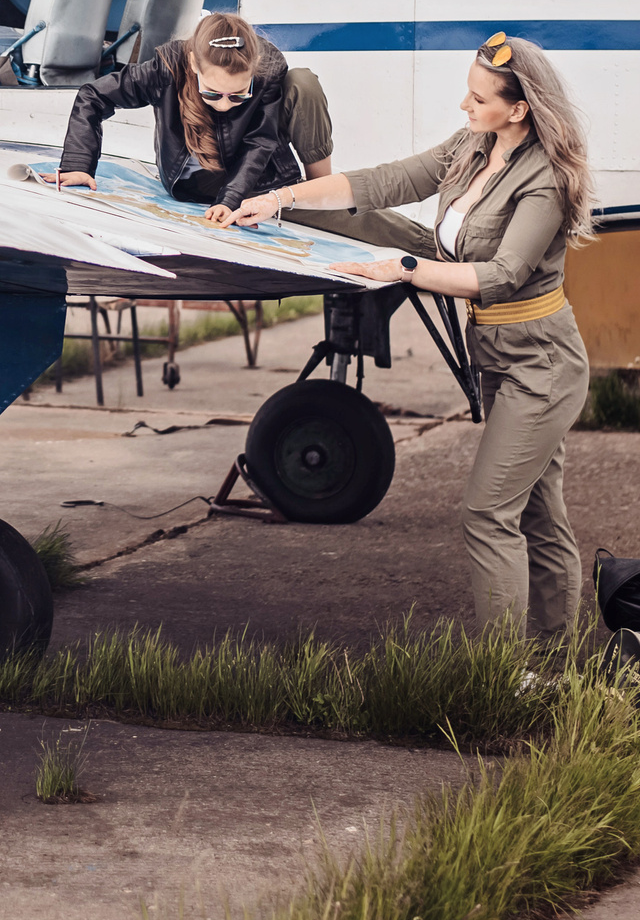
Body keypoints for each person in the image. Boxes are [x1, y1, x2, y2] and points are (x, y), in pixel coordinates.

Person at [228, 33, 598, 636]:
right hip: (498, 355)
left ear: (520, 110)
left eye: (478, 99)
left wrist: (402, 268)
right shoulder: (474, 145)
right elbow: (385, 182)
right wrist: (278, 199)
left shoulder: (546, 180)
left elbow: (501, 276)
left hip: (541, 362)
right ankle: (552, 669)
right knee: (538, 511)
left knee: (488, 511)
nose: (465, 107)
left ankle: (502, 677)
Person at [55, 11, 299, 209]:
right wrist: (79, 164)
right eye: (212, 93)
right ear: (193, 63)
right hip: (193, 182)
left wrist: (230, 200)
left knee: (304, 82)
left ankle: (316, 184)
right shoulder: (166, 69)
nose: (224, 105)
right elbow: (93, 95)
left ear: (254, 67)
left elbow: (259, 141)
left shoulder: (268, 71)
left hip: (247, 177)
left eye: (237, 96)